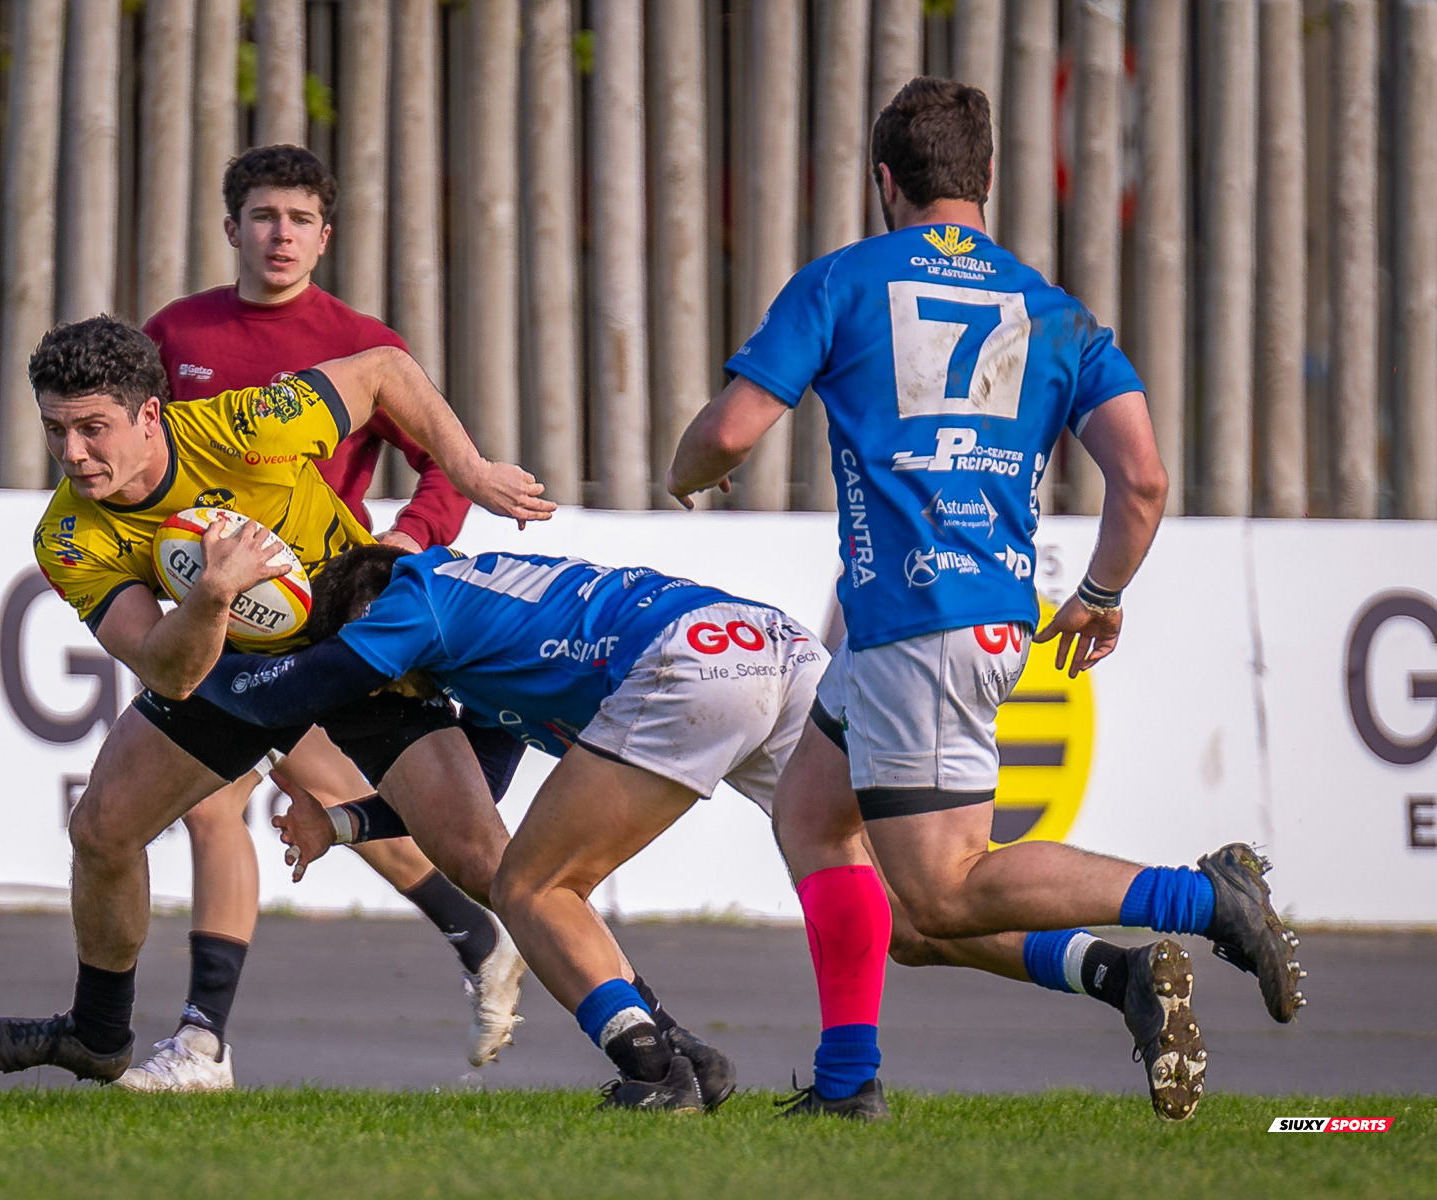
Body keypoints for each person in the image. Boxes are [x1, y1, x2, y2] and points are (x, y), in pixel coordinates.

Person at [665, 77, 1305, 1123]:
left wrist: (686, 475)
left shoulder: (842, 282)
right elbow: (1141, 478)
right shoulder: (1055, 312)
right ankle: (845, 1086)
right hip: (961, 619)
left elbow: (728, 434)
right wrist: (1101, 594)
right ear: (988, 179)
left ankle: (1203, 897)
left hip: (921, 629)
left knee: (942, 892)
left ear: (885, 182)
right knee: (813, 816)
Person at [0, 315, 553, 1085]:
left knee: (480, 858)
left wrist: (467, 471)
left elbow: (381, 369)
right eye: (56, 430)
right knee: (103, 830)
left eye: (93, 429)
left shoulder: (244, 425)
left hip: (359, 637)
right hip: (235, 664)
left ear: (149, 416)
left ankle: (644, 1034)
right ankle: (102, 1035)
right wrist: (212, 597)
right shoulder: (68, 535)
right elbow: (166, 671)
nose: (73, 454)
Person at [124, 143, 521, 1091]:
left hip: (326, 621)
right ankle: (207, 1040)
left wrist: (402, 548)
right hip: (211, 606)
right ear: (231, 228)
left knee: (308, 797)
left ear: (325, 236)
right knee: (227, 801)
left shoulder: (360, 343)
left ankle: (208, 1042)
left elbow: (443, 461)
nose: (280, 235)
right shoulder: (174, 332)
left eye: (300, 219)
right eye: (263, 216)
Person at [192, 543, 815, 1110]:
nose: (385, 690)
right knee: (873, 883)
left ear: (365, 617)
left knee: (528, 887)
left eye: (376, 672)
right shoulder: (482, 636)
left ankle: (652, 1071)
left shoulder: (413, 597)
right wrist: (339, 824)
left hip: (691, 659)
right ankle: (835, 1080)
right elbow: (478, 794)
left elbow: (282, 695)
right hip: (772, 638)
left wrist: (200, 631)